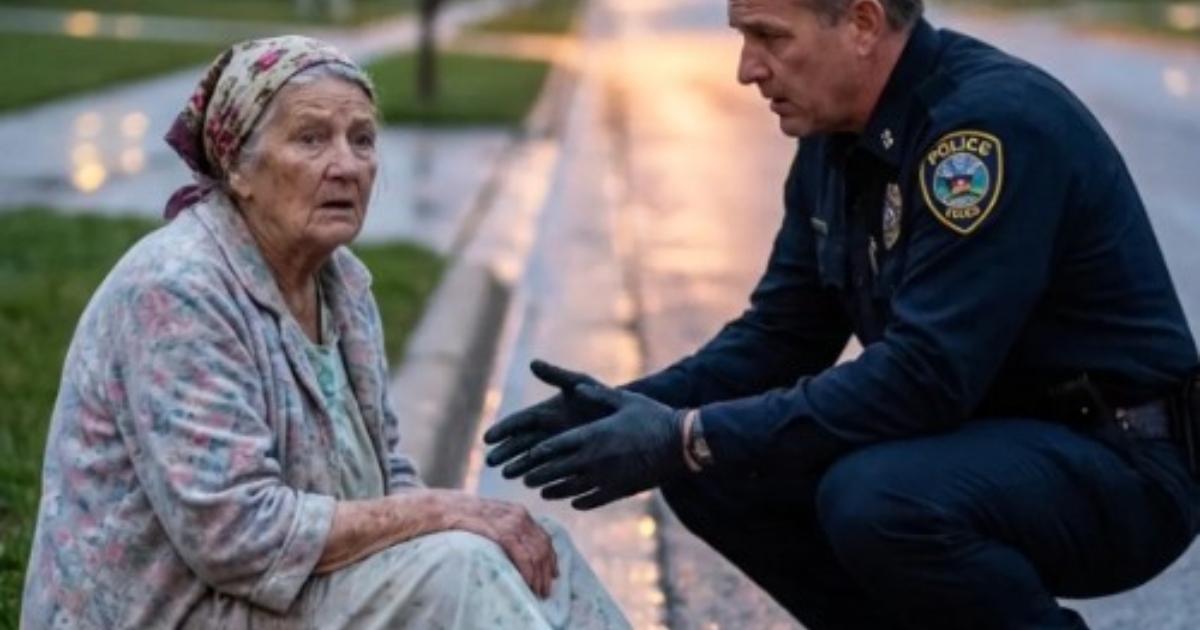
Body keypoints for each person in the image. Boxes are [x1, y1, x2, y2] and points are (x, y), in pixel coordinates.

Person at [483, 0, 1200, 628]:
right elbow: (780, 335)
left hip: (1118, 460)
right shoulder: (836, 139)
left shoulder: (984, 133)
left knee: (878, 499)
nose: (747, 69)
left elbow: (924, 377)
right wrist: (631, 409)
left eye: (770, 36)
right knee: (714, 471)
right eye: (744, 37)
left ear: (861, 23)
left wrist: (687, 434)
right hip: (983, 439)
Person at [21, 36, 630, 630]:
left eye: (361, 139)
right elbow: (235, 537)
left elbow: (387, 475)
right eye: (311, 139)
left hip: (280, 593)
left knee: (532, 549)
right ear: (237, 168)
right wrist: (445, 512)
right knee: (462, 569)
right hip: (178, 607)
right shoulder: (177, 291)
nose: (346, 165)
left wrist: (456, 521)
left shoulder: (342, 285)